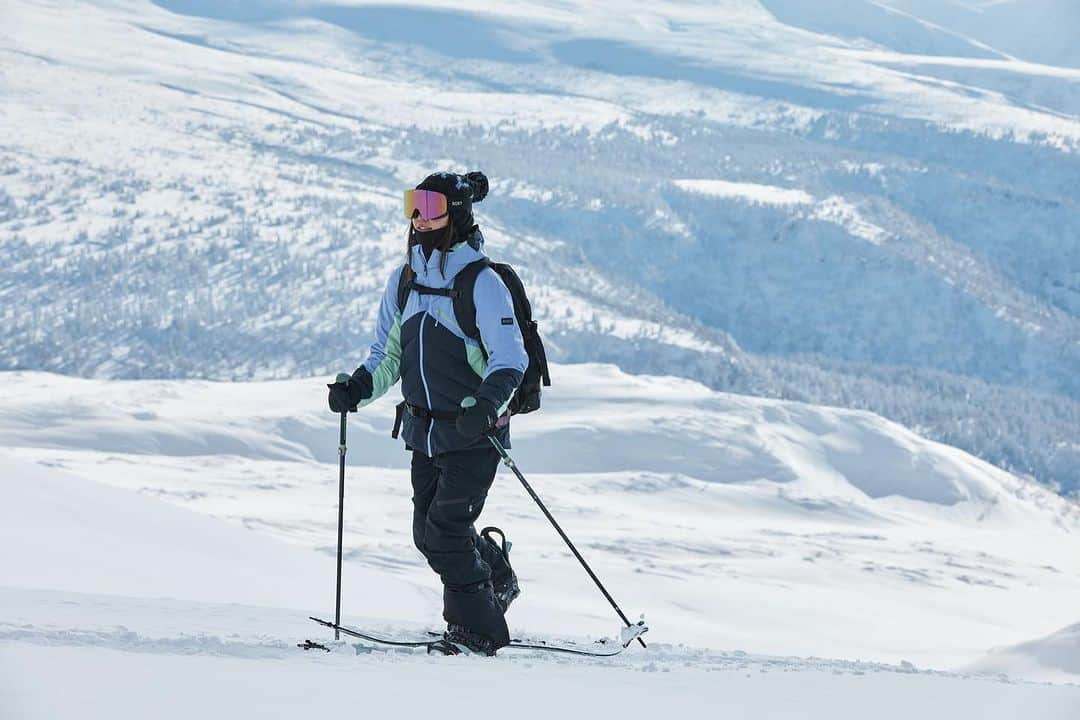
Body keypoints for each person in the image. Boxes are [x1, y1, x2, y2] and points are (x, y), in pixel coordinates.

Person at [327, 171, 528, 656]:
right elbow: (388, 355)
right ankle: (495, 576)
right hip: (423, 430)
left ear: (456, 215)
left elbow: (511, 359)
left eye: (432, 206)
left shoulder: (482, 283)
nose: (419, 217)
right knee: (427, 532)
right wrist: (357, 388)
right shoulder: (405, 280)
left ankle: (477, 630)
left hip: (475, 433)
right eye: (412, 204)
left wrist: (485, 408)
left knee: (445, 533)